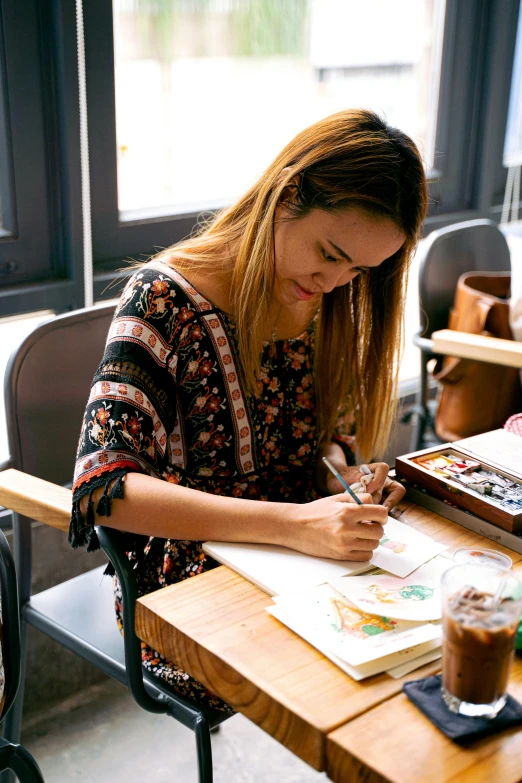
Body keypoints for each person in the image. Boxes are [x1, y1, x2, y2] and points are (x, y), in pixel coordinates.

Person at [70, 108, 428, 711]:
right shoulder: (165, 301)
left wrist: (341, 475)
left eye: (358, 270)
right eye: (329, 252)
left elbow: (325, 436)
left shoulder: (324, 298)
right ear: (286, 194)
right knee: (376, 685)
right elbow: (104, 490)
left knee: (421, 650)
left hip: (304, 559)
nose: (336, 281)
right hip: (187, 585)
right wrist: (296, 526)